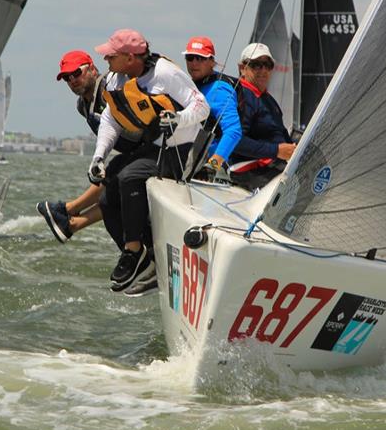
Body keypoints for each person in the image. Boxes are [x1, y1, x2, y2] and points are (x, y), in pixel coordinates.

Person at [90, 29, 209, 296]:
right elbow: (111, 118)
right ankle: (142, 255)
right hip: (152, 149)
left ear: (130, 57)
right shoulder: (116, 78)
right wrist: (99, 156)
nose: (106, 58)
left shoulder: (165, 73)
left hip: (182, 150)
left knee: (130, 176)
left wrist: (178, 119)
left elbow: (202, 107)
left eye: (111, 54)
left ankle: (135, 252)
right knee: (107, 193)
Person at [36, 50, 140, 244]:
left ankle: (68, 212)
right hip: (131, 153)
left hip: (150, 147)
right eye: (67, 77)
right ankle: (70, 220)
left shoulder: (110, 88)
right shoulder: (82, 106)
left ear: (92, 68)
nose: (73, 80)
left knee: (115, 177)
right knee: (112, 179)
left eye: (77, 73)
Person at [229, 43, 295, 191]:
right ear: (242, 68)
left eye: (267, 65)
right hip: (248, 170)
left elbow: (283, 136)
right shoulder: (242, 96)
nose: (263, 70)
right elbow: (235, 140)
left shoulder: (269, 100)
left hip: (272, 166)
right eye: (256, 65)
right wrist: (276, 151)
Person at [181, 36, 242, 177]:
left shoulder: (219, 89)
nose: (194, 63)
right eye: (190, 58)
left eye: (200, 58)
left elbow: (234, 130)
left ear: (211, 62)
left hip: (207, 168)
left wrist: (214, 163)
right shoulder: (193, 85)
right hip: (189, 160)